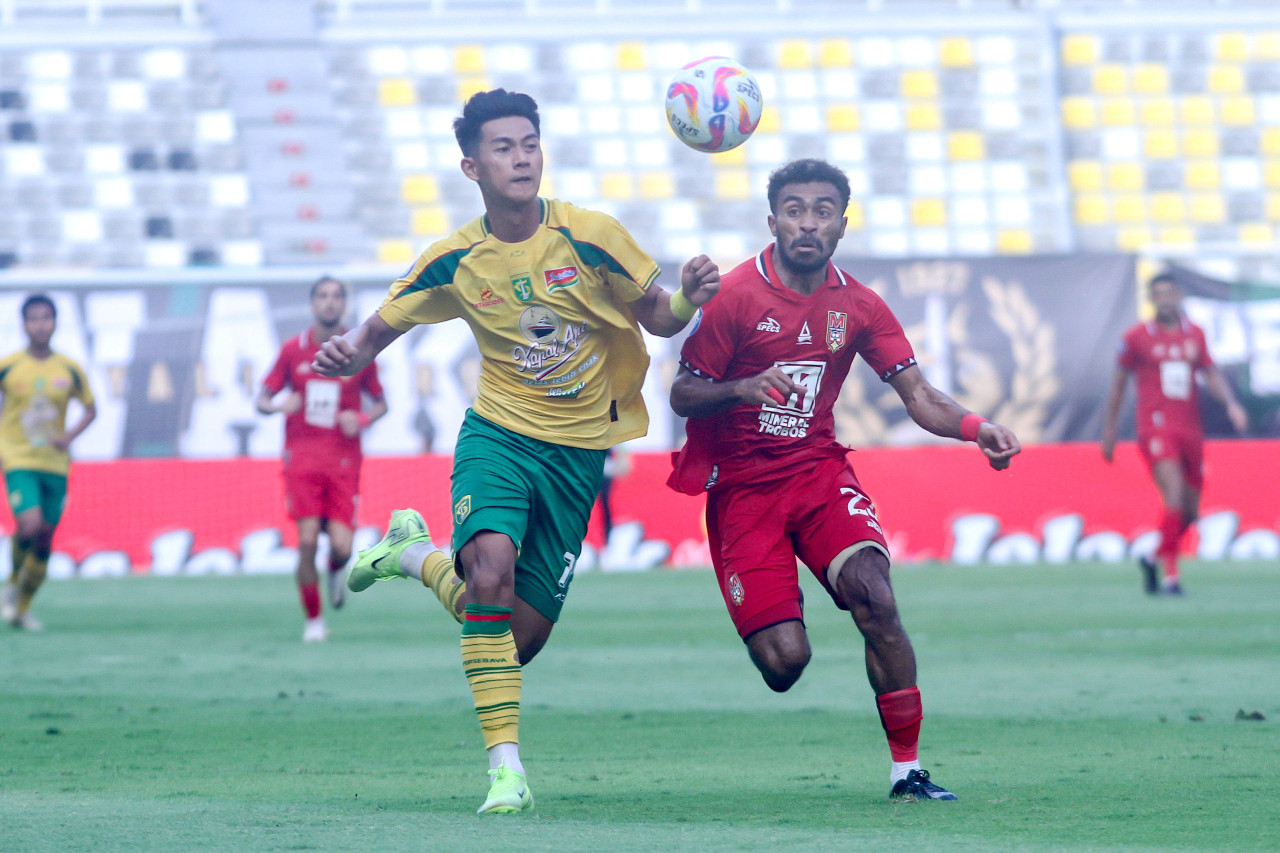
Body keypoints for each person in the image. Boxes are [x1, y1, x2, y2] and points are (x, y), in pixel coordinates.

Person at [312, 89, 719, 814]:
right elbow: (387, 317)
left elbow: (656, 316)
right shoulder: (457, 259)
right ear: (471, 165)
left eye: (529, 142)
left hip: (577, 454)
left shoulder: (591, 236)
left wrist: (686, 298)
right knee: (491, 572)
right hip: (498, 435)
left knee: (511, 635)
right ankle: (506, 770)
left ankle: (412, 554)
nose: (521, 156)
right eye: (503, 147)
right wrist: (351, 352)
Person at [667, 159, 1021, 802]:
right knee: (785, 664)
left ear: (842, 224)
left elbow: (916, 392)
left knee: (875, 595)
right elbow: (682, 393)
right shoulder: (735, 297)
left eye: (823, 210)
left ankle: (907, 771)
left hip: (817, 473)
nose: (808, 222)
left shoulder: (859, 305)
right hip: (743, 492)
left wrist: (976, 427)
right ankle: (772, 616)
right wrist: (742, 387)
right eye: (795, 210)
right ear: (772, 221)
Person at [256, 276, 387, 642]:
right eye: (323, 296)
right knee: (308, 540)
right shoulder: (292, 351)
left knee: (343, 548)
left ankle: (334, 571)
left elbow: (381, 403)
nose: (329, 303)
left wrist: (361, 419)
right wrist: (281, 405)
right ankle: (314, 621)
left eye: (336, 297)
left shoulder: (357, 351)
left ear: (343, 305)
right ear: (312, 304)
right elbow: (262, 399)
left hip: (344, 463)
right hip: (302, 459)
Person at [1102, 273, 1247, 595]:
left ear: (1179, 296)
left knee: (1190, 513)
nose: (1165, 300)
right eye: (1158, 294)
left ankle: (1153, 557)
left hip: (1190, 429)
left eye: (1170, 293)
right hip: (1155, 426)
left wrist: (1232, 405)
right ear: (1151, 299)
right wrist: (1110, 431)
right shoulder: (1137, 336)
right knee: (1174, 496)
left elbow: (1210, 374)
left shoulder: (1194, 335)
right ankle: (1171, 577)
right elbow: (1118, 385)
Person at [0, 294, 97, 631]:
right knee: (28, 524)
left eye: (46, 318)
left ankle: (21, 610)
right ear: (23, 324)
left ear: (55, 322)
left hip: (54, 463)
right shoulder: (9, 366)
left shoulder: (69, 369)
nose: (40, 324)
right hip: (17, 457)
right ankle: (12, 582)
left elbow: (90, 408)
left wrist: (68, 437)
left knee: (44, 537)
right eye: (33, 318)